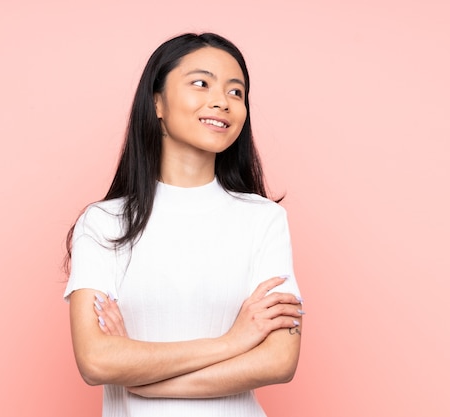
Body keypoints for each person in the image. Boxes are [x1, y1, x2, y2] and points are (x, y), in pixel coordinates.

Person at [64, 32, 304, 417]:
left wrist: (142, 380)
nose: (221, 101)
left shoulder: (264, 219)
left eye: (236, 92)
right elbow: (96, 361)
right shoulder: (104, 223)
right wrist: (233, 341)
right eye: (201, 83)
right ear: (156, 102)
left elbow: (278, 360)